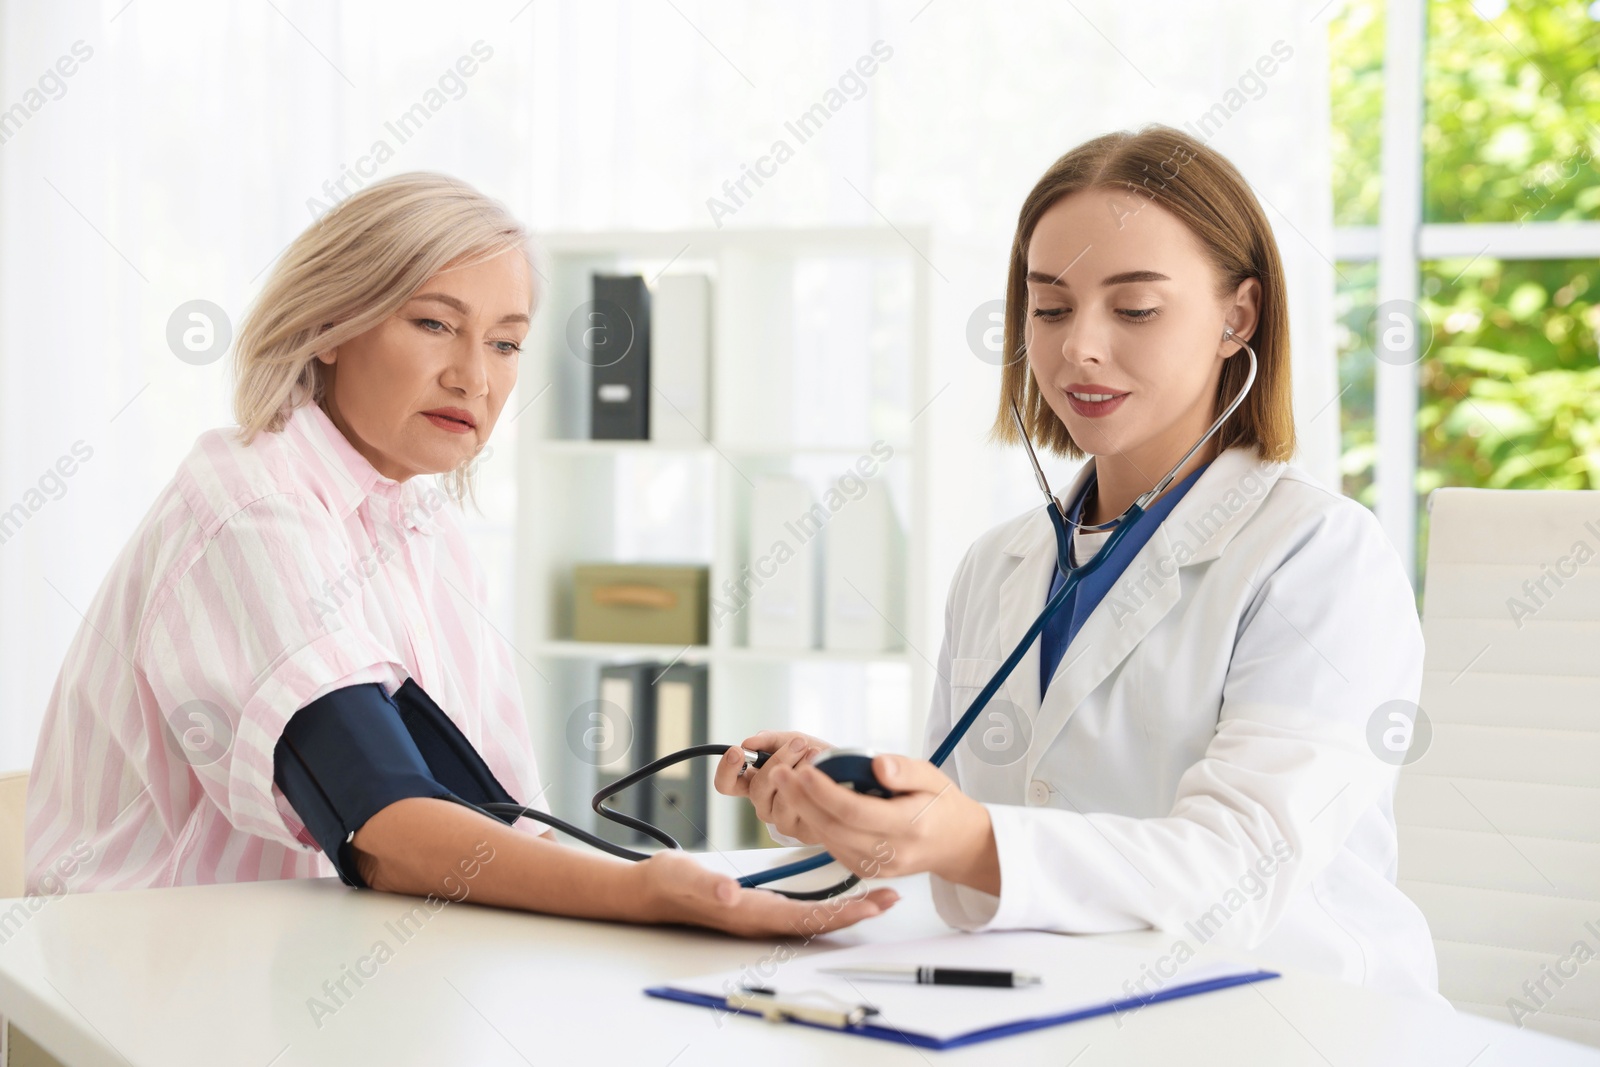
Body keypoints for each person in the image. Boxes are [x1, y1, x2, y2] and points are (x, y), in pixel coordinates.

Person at [25, 172, 896, 937]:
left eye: (507, 342)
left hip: (315, 968)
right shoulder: (252, 508)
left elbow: (494, 821)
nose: (475, 378)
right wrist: (652, 893)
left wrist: (747, 860)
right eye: (436, 323)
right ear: (330, 320)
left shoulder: (422, 530)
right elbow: (386, 822)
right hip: (142, 989)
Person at [715, 125, 1445, 1004]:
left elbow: (1237, 870)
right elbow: (973, 830)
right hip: (1055, 1009)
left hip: (1290, 1019)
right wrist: (860, 800)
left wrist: (960, 837)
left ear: (1236, 317)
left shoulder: (1321, 557)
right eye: (1051, 308)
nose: (1078, 348)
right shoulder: (1000, 564)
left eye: (1134, 308)